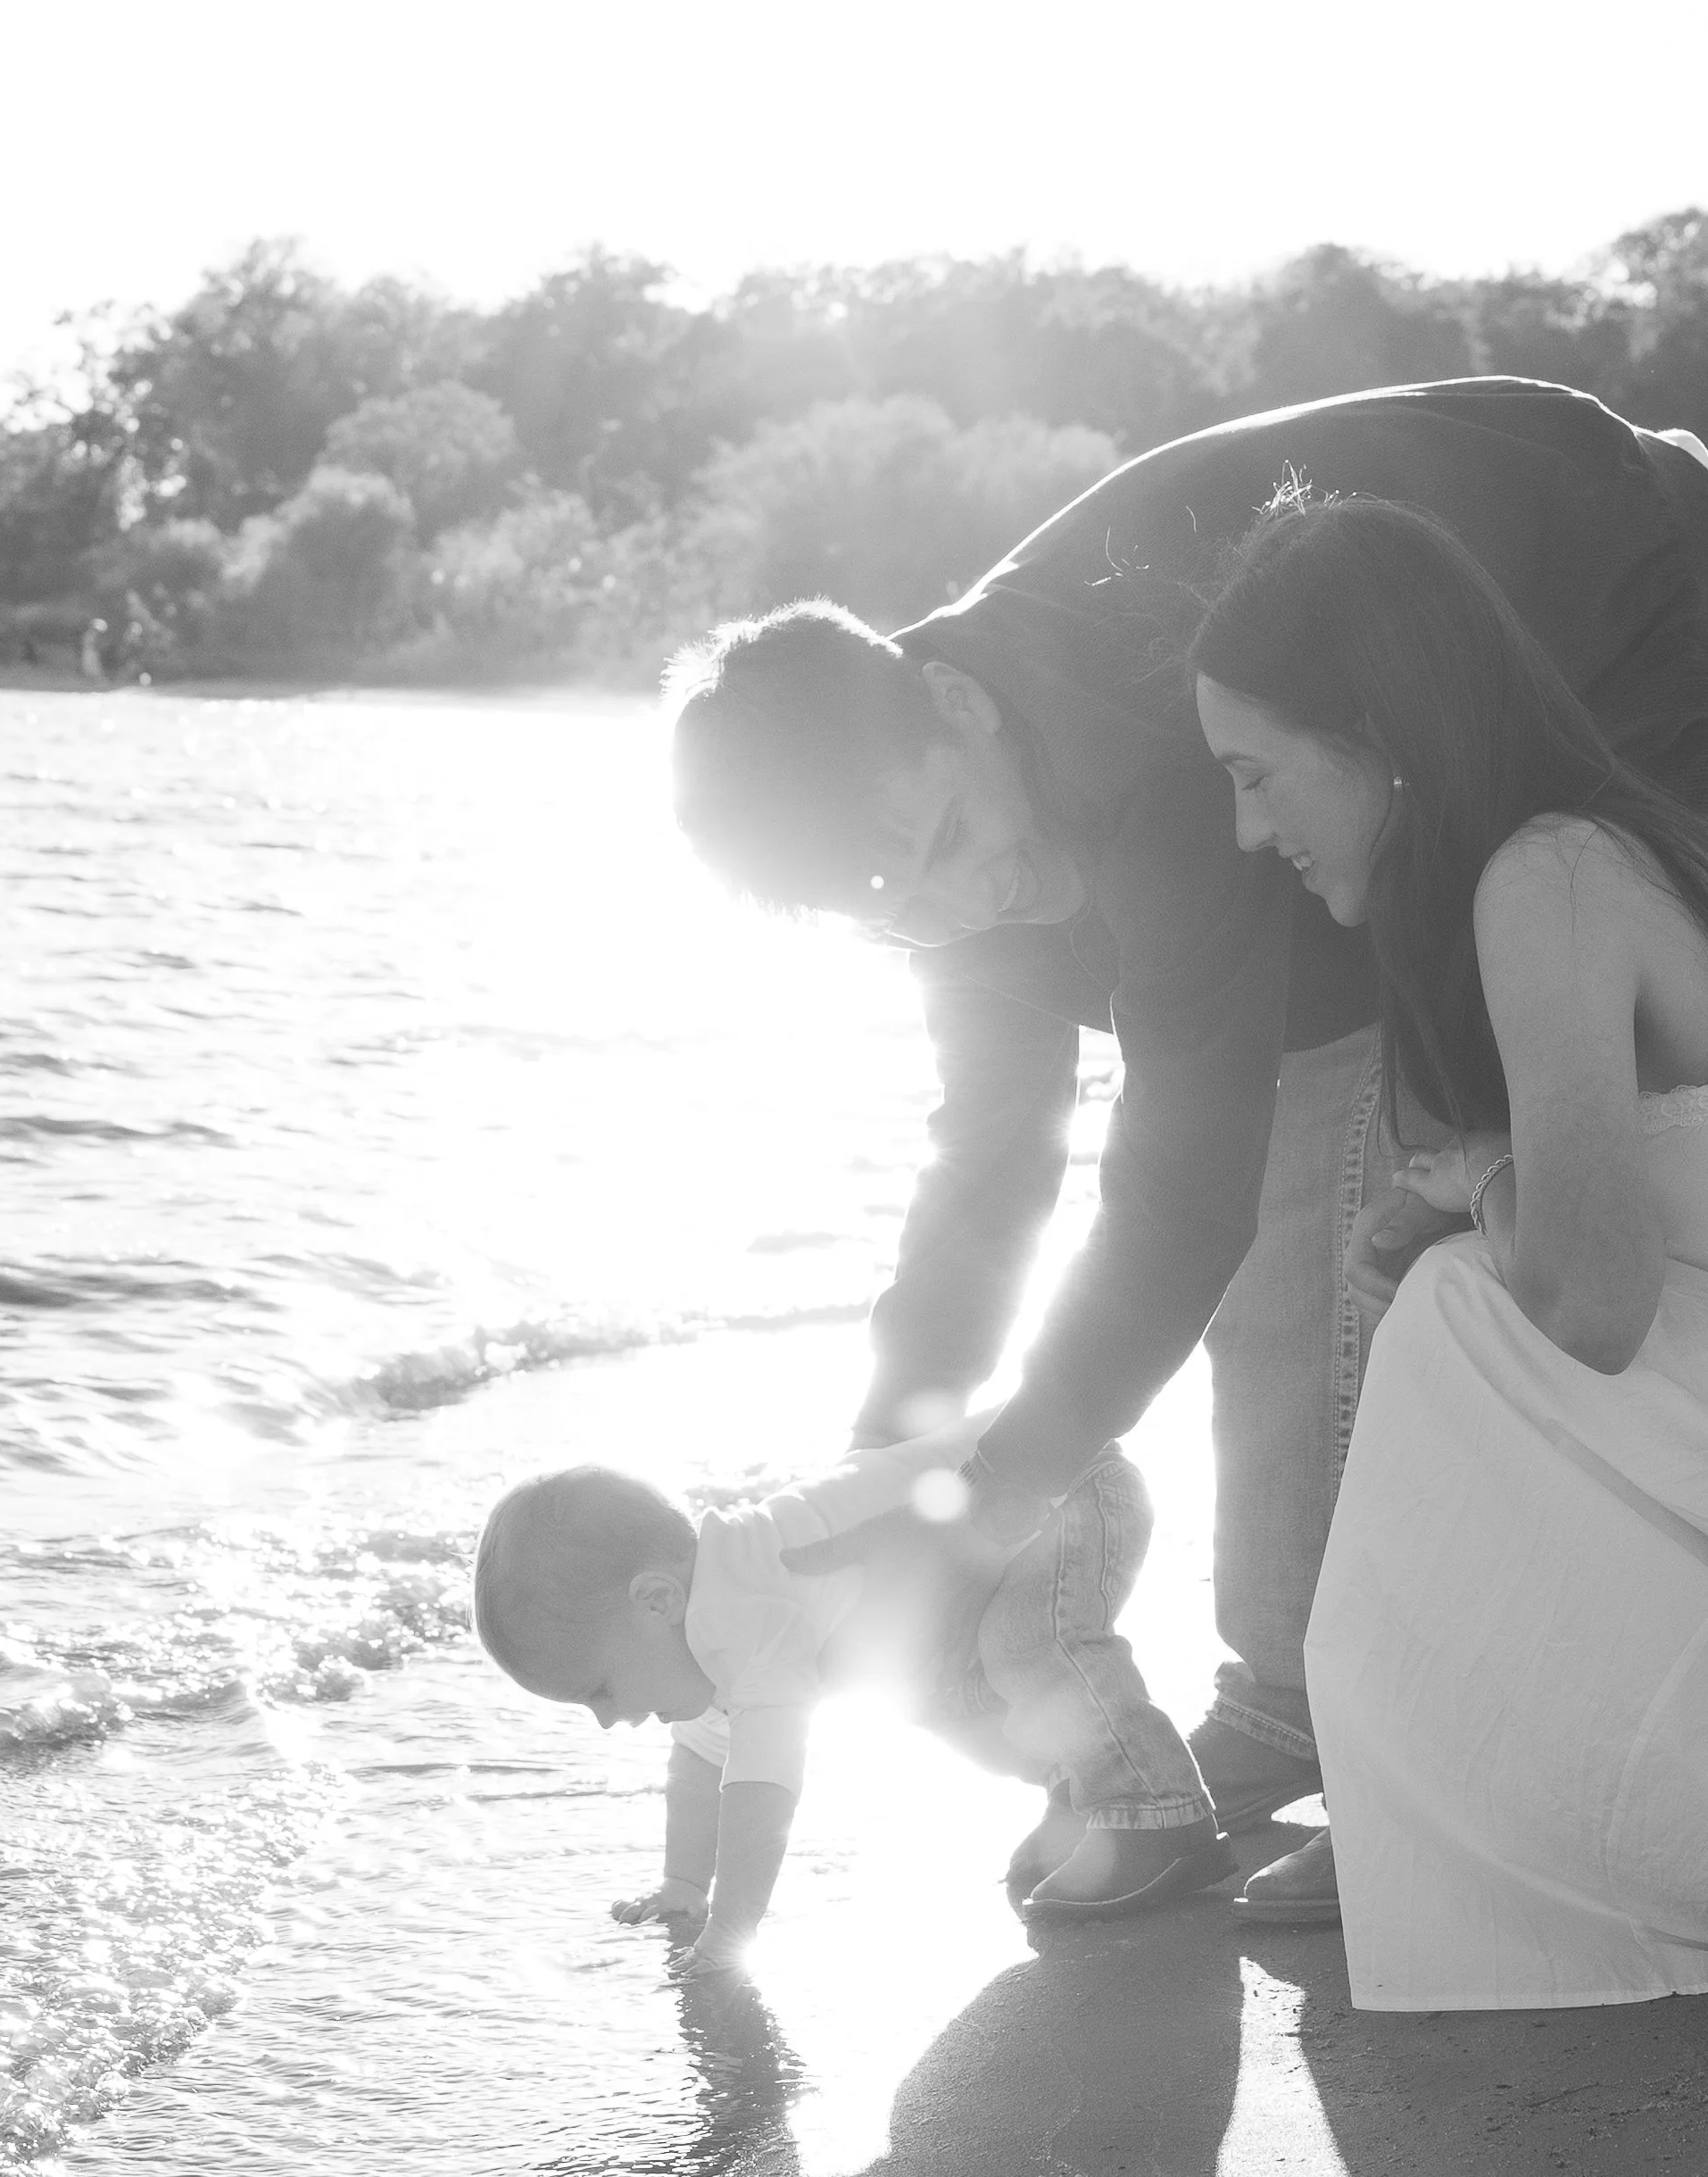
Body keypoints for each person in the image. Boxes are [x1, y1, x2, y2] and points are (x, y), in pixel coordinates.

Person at [667, 378, 1708, 1843]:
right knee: (1345, 1174)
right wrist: (875, 1488)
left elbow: (1190, 1180)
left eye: (954, 842)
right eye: (898, 908)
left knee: (1435, 1136)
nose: (975, 902)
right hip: (1409, 690)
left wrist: (994, 1489)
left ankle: (1403, 1694)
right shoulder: (930, 854)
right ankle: (1318, 1681)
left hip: (1635, 591)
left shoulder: (1153, 736)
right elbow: (988, 1172)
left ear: (954, 705)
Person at [1189, 488, 1708, 2007]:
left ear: (1373, 727)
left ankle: (1558, 1814)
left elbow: (1593, 1300)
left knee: (1468, 1312)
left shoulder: (1544, 876)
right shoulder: (1551, 864)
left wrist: (1473, 1185)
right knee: (1449, 1287)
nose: (1244, 826)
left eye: (1256, 771)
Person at [469, 1427, 1238, 1973]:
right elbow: (703, 1762)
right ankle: (1082, 1794)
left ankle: (1155, 1810)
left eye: (597, 1690)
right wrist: (681, 1885)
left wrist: (729, 1930)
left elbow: (761, 1789)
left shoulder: (743, 1609)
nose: (607, 1719)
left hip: (1060, 1480)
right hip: (986, 1549)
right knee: (951, 1696)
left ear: (655, 1599)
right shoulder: (702, 1630)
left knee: (1030, 1647)